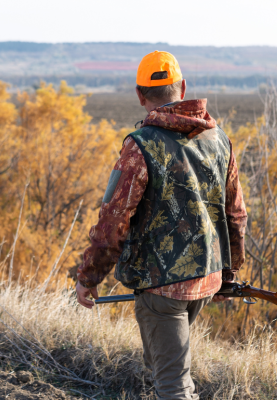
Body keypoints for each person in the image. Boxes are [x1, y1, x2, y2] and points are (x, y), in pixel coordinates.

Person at [75, 51, 247, 400]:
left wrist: (89, 277)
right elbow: (236, 215)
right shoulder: (220, 140)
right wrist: (228, 273)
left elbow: (113, 222)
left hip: (162, 286)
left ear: (140, 95)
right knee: (167, 372)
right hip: (207, 278)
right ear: (182, 87)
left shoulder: (139, 146)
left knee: (173, 387)